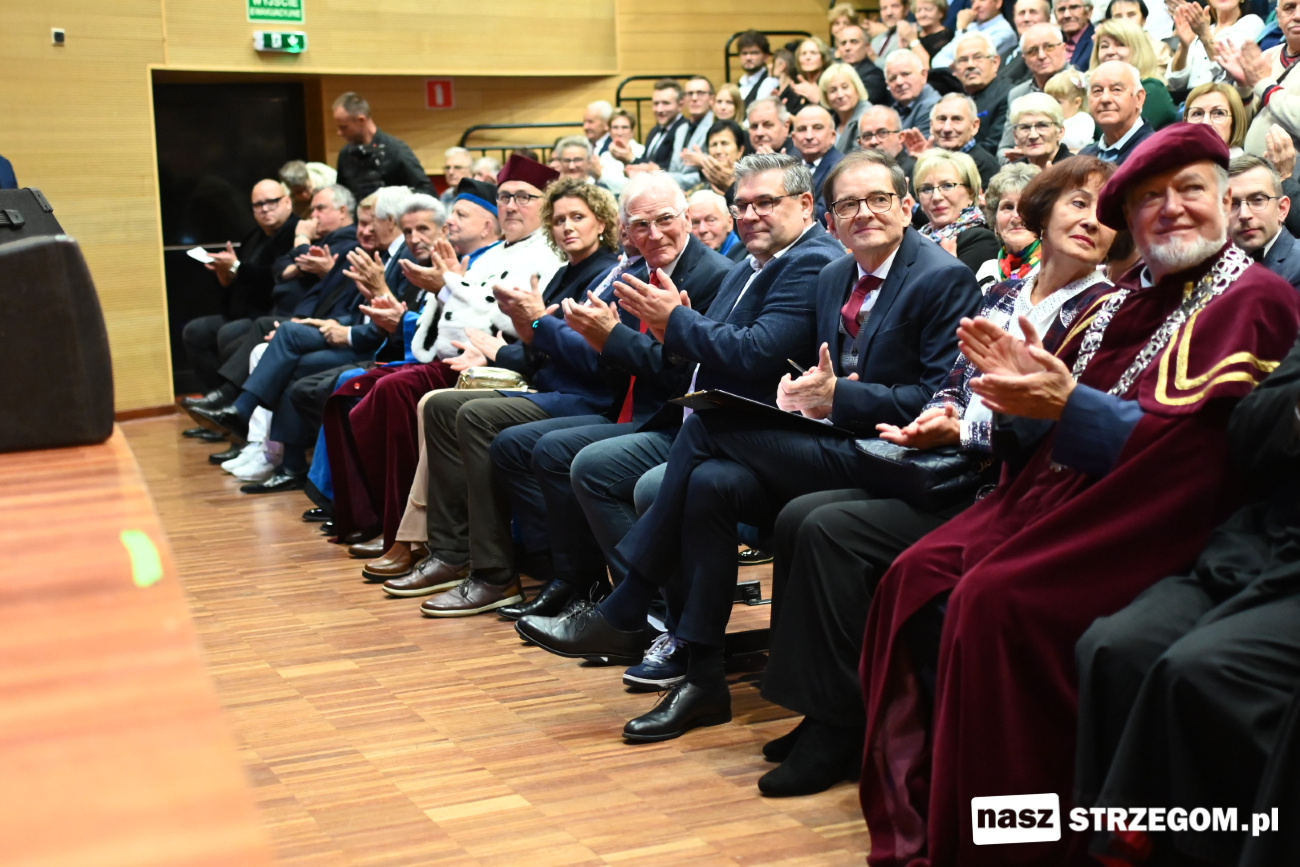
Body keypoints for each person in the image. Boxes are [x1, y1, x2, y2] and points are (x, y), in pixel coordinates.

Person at [858, 122, 1300, 867]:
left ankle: (1025, 841)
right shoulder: (1122, 300)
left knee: (995, 603)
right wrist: (1014, 401)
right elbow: (1047, 423)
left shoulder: (1253, 297)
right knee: (916, 575)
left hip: (1166, 516)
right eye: (1150, 199)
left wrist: (1066, 408)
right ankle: (945, 813)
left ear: (1226, 201)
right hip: (1061, 493)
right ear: (1131, 223)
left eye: (1190, 190)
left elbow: (1204, 455)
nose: (1171, 209)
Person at [516, 149, 981, 743]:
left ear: (906, 205)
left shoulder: (940, 276)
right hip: (825, 437)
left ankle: (630, 599)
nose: (863, 213)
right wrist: (810, 391)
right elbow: (798, 368)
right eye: (849, 204)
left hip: (895, 456)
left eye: (878, 199)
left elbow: (936, 400)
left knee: (705, 427)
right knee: (710, 481)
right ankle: (702, 679)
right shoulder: (834, 274)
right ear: (831, 216)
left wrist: (837, 395)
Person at [759, 156, 1116, 798]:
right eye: (1076, 204)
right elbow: (952, 383)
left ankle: (839, 726)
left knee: (828, 529)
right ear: (1042, 215)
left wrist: (962, 429)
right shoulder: (1007, 292)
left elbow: (1054, 428)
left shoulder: (1105, 309)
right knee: (798, 516)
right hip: (950, 467)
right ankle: (823, 709)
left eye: (1105, 211)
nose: (1091, 221)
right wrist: (940, 416)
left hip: (1008, 487)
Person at [462, 169, 735, 618]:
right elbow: (612, 365)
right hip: (626, 405)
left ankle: (638, 602)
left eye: (664, 220)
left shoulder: (715, 276)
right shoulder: (634, 273)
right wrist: (589, 339)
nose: (654, 234)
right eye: (641, 225)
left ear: (686, 218)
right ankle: (575, 579)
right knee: (521, 445)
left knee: (561, 453)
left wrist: (605, 339)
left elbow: (683, 375)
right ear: (626, 230)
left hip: (674, 418)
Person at [1075, 329, 1300, 867]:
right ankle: (1118, 844)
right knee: (1115, 647)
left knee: (1202, 671)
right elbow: (1248, 435)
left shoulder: (1260, 295)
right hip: (1265, 542)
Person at [387, 180, 623, 616]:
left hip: (586, 396)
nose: (567, 227)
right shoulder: (563, 274)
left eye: (578, 217)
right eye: (559, 220)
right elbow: (538, 349)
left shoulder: (606, 273)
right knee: (440, 404)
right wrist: (520, 338)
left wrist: (533, 331)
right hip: (551, 383)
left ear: (603, 223)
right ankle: (451, 552)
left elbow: (593, 359)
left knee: (475, 416)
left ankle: (495, 574)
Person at [340, 158, 566, 567]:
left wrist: (448, 287)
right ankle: (388, 524)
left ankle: (415, 536)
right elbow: (460, 316)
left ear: (545, 205)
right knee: (354, 389)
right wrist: (445, 289)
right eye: (504, 197)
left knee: (396, 392)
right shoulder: (493, 252)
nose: (511, 206)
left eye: (524, 197)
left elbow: (508, 317)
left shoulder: (549, 253)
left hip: (506, 365)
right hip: (464, 357)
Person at [181, 179, 300, 395]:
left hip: (267, 313)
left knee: (229, 333)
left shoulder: (295, 233)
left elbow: (274, 276)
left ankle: (228, 399)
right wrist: (225, 275)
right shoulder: (253, 236)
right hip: (240, 311)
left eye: (272, 202)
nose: (265, 209)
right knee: (195, 331)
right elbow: (240, 279)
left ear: (287, 202)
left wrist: (236, 267)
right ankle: (215, 397)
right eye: (258, 204)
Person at [332, 92, 433, 200]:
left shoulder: (396, 150)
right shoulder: (345, 154)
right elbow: (341, 197)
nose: (339, 133)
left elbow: (427, 191)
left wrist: (396, 199)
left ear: (361, 120)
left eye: (343, 127)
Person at [914, 148, 1000, 271]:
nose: (936, 197)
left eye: (947, 186)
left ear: (971, 194)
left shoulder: (981, 240)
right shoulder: (914, 240)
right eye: (926, 189)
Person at [996, 22, 1073, 159]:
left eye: (1049, 47)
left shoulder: (1082, 85)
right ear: (1024, 58)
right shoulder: (1018, 94)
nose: (1041, 55)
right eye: (1032, 51)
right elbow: (1003, 150)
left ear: (1064, 49)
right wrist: (1022, 159)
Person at [1091, 18, 1177, 130]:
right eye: (1104, 46)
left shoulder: (1152, 89)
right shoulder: (1090, 91)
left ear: (1139, 50)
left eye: (1120, 45)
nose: (1110, 51)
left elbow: (1120, 134)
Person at [1227, 154, 1300, 287]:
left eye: (1257, 200)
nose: (1244, 214)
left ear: (1282, 209)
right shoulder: (1214, 268)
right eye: (1232, 204)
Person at [1167, 0, 1264, 95]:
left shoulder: (1251, 23)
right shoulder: (1202, 28)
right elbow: (1175, 83)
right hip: (1190, 99)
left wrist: (1205, 35)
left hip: (1224, 97)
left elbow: (1229, 73)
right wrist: (1184, 46)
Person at [902, 93, 1001, 185]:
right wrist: (924, 163)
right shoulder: (926, 159)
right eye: (942, 119)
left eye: (957, 119)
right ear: (931, 125)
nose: (947, 128)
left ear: (974, 126)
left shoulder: (985, 166)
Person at [974, 162, 1043, 288]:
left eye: (1026, 207)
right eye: (1008, 207)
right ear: (995, 221)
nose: (1016, 216)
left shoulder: (1052, 269)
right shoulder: (987, 270)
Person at [946, 33, 1013, 152]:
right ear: (954, 68)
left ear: (995, 62)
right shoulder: (953, 100)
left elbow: (995, 146)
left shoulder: (1009, 95)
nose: (970, 65)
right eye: (963, 60)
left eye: (978, 57)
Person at [1080, 60, 1154, 164]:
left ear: (1138, 98)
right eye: (1097, 91)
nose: (1105, 99)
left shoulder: (1156, 151)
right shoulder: (1083, 158)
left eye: (1116, 90)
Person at [790, 106, 844, 223]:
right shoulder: (790, 166)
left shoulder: (842, 167)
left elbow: (827, 214)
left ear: (833, 136)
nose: (809, 136)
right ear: (793, 138)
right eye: (802, 129)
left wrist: (786, 202)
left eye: (817, 128)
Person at [932, 0, 1017, 67]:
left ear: (998, 3)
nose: (976, 6)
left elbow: (965, 58)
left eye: (982, 0)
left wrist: (961, 29)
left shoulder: (1004, 31)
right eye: (973, 2)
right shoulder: (971, 26)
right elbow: (937, 60)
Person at [630, 80, 687, 174]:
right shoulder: (655, 131)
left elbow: (673, 168)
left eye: (666, 103)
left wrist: (631, 158)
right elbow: (646, 161)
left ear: (680, 105)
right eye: (656, 104)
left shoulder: (685, 131)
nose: (659, 109)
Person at [883, 50, 942, 140]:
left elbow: (922, 146)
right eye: (893, 78)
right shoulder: (894, 109)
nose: (899, 82)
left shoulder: (933, 107)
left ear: (924, 75)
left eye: (906, 74)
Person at [1005, 92, 1071, 168]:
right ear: (1016, 136)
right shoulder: (1011, 172)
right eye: (1025, 127)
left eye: (1042, 126)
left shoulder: (1077, 170)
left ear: (1060, 132)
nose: (1033, 135)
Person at [1182, 81, 1248, 157]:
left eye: (1219, 113)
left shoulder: (1246, 164)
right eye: (1197, 114)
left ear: (1235, 121)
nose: (1206, 123)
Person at [1105, 0, 1174, 72]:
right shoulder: (1105, 50)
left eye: (1131, 15)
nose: (1125, 20)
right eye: (1118, 16)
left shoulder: (1159, 49)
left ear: (1144, 20)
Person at [820, 63, 871, 155]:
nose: (840, 95)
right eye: (833, 90)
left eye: (845, 87)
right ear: (826, 97)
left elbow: (857, 157)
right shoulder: (831, 121)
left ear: (856, 88)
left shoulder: (868, 117)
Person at [694, 120, 750, 199]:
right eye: (714, 145)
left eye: (724, 143)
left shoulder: (750, 185)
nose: (718, 151)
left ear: (740, 151)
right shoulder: (700, 189)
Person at [858, 105, 917, 179]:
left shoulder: (915, 173)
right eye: (867, 136)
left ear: (900, 137)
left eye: (882, 133)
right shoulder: (856, 175)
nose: (873, 141)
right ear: (860, 142)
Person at [594, 109, 642, 196]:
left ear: (632, 131)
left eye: (624, 127)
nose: (619, 133)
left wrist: (601, 177)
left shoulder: (641, 152)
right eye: (615, 127)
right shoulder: (604, 156)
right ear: (609, 131)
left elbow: (635, 187)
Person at [1046, 68, 1097, 150]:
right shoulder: (1050, 119)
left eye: (1058, 102)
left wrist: (1050, 136)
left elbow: (1076, 143)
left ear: (1077, 102)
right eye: (1050, 100)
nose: (1052, 105)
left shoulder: (1084, 119)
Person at [687, 189, 745, 261]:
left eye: (711, 220)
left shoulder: (747, 260)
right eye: (695, 223)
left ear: (729, 222)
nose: (702, 229)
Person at [735, 31, 780, 106]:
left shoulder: (770, 81)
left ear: (766, 57)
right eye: (744, 53)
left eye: (754, 53)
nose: (748, 57)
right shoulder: (740, 82)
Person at [908, 0, 956, 65]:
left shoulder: (947, 36)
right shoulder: (914, 35)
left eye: (928, 10)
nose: (922, 15)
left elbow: (930, 65)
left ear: (941, 13)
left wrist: (913, 41)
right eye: (918, 10)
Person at [1056, 0, 1097, 69]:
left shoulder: (1096, 41)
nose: (1067, 15)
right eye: (1061, 9)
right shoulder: (1054, 42)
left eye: (1074, 7)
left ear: (1089, 11)